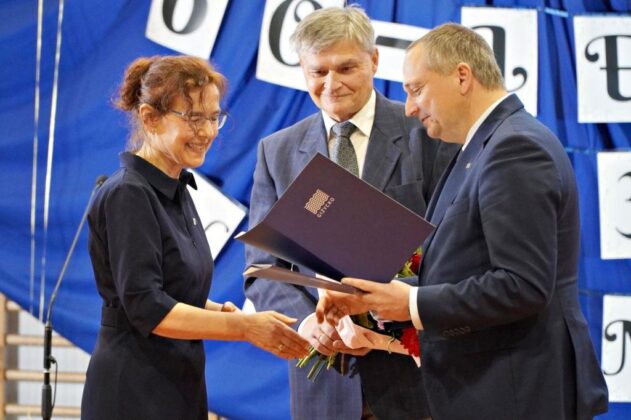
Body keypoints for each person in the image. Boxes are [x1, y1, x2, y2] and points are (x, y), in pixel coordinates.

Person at [317, 23, 610, 420]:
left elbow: (523, 285)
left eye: (416, 89)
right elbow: (465, 268)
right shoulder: (482, 145)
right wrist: (376, 297)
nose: (409, 108)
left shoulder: (514, 148)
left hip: (518, 393)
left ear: (461, 77)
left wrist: (412, 303)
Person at [244, 6, 457, 420]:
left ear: (374, 60)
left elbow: (455, 252)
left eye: (346, 68)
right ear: (302, 70)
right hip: (323, 383)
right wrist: (308, 323)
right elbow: (261, 269)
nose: (332, 84)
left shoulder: (427, 133)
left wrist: (384, 309)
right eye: (318, 71)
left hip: (414, 382)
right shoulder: (276, 152)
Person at [81, 55, 310, 420]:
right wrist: (243, 328)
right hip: (134, 390)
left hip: (176, 382)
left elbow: (172, 289)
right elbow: (147, 306)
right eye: (193, 118)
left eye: (214, 117)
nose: (207, 131)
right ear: (149, 118)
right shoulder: (128, 193)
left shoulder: (176, 187)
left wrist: (222, 312)